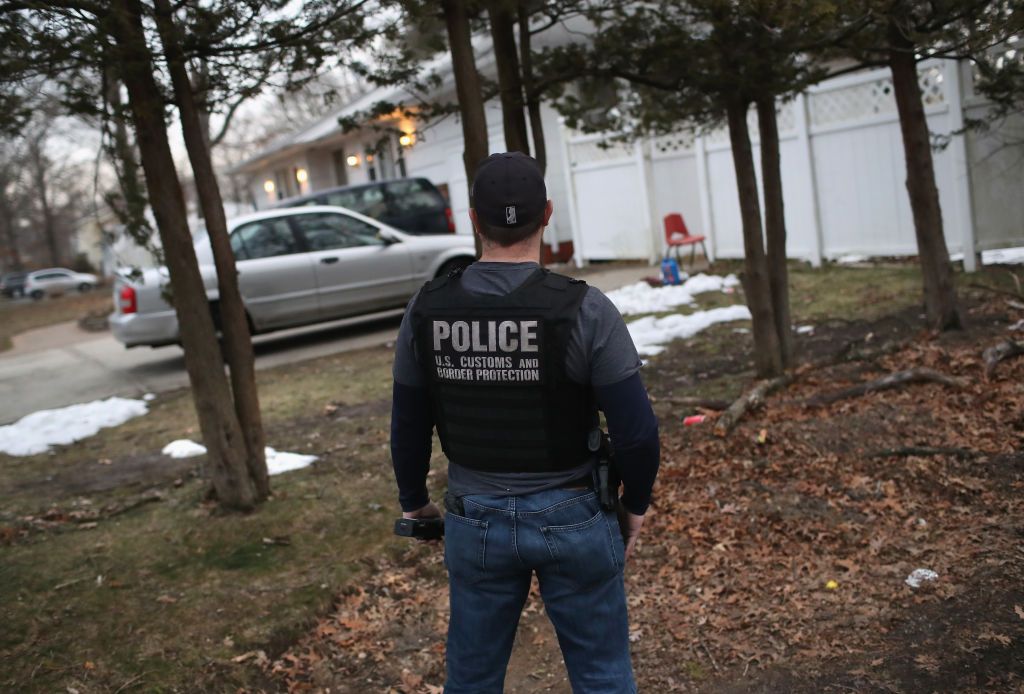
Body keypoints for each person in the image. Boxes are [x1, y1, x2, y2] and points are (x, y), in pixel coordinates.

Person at [390, 152, 660, 693]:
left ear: (472, 220)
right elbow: (636, 432)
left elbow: (408, 421)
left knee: (471, 678)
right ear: (547, 215)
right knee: (604, 676)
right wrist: (635, 506)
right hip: (575, 515)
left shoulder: (427, 308)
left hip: (475, 520)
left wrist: (414, 500)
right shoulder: (586, 310)